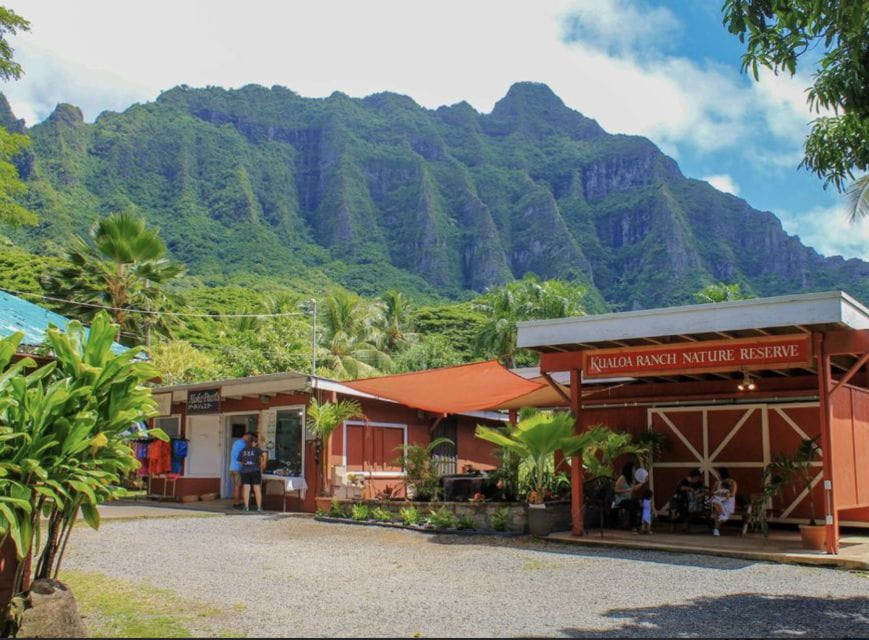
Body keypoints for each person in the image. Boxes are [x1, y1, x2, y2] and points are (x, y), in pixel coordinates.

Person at [238, 433, 266, 513]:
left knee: (246, 489)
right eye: (255, 442)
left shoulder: (243, 451)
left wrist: (246, 464)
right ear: (253, 442)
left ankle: (246, 507)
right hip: (255, 471)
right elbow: (264, 453)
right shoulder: (257, 450)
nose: (256, 443)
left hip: (245, 471)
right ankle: (259, 508)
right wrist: (263, 462)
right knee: (257, 489)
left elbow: (239, 462)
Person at [613, 461, 642, 532]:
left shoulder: (631, 479)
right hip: (621, 500)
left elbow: (634, 488)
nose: (634, 470)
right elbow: (616, 490)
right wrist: (626, 490)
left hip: (628, 499)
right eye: (633, 469)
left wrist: (642, 483)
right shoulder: (622, 478)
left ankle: (639, 524)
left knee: (637, 504)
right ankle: (633, 526)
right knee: (632, 508)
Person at [710, 467, 738, 536]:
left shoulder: (732, 482)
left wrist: (725, 495)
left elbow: (733, 494)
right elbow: (713, 492)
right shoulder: (717, 482)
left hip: (728, 502)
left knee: (722, 516)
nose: (717, 475)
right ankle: (716, 529)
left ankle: (716, 527)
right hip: (719, 501)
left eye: (718, 473)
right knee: (717, 510)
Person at [229, 432, 251, 509]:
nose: (249, 439)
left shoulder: (236, 442)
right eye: (249, 437)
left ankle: (237, 502)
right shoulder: (243, 445)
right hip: (238, 468)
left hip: (232, 467)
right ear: (245, 436)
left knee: (236, 486)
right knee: (238, 486)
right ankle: (236, 503)